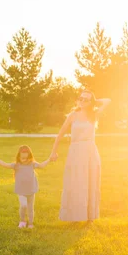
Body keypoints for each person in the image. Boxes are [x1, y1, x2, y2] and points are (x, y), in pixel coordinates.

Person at [50, 91, 111, 222]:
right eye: (80, 98)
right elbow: (60, 134)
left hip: (90, 151)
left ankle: (90, 216)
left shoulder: (93, 115)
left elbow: (107, 101)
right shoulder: (73, 115)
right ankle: (75, 216)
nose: (82, 101)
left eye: (85, 100)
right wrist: (53, 152)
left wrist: (94, 101)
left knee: (90, 183)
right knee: (75, 183)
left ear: (91, 103)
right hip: (76, 151)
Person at [0, 145, 51, 228]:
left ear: (29, 157)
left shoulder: (32, 164)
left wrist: (50, 159)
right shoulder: (16, 165)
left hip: (31, 190)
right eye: (22, 158)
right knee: (23, 205)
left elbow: (41, 165)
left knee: (30, 208)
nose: (24, 160)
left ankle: (30, 223)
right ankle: (22, 221)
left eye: (26, 158)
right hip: (21, 191)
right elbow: (5, 165)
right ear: (18, 156)